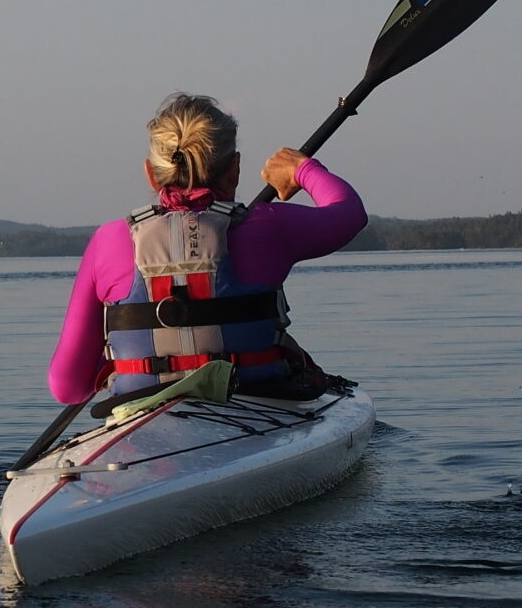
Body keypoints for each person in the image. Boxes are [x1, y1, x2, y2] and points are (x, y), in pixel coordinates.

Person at [47, 92, 367, 410]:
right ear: (235, 168)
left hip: (141, 416)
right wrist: (302, 169)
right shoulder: (268, 227)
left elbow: (67, 388)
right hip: (262, 402)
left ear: (150, 173)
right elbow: (350, 214)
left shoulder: (109, 240)